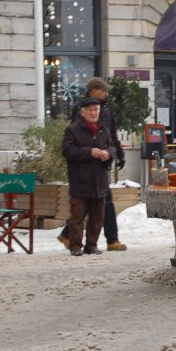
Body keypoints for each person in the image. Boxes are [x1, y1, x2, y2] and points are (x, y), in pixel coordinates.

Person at [57, 77, 128, 251]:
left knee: (100, 204)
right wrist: (90, 152)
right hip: (85, 170)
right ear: (94, 90)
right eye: (104, 90)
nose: (107, 93)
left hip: (101, 168)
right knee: (97, 204)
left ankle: (77, 237)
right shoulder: (81, 110)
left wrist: (116, 153)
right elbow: (73, 142)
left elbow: (111, 135)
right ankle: (110, 239)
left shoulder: (107, 109)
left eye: (95, 110)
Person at [61, 97, 117, 256]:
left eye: (96, 110)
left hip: (99, 180)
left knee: (97, 216)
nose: (93, 113)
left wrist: (109, 154)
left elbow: (111, 146)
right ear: (83, 112)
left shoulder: (103, 129)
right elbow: (67, 151)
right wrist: (89, 152)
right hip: (80, 180)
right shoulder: (73, 130)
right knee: (77, 216)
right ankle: (75, 245)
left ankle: (91, 244)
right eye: (90, 110)